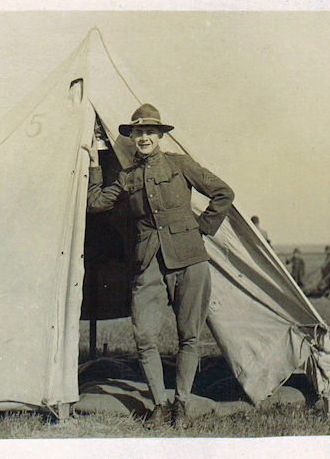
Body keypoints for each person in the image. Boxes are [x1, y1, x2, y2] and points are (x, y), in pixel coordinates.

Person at [82, 103, 235, 429]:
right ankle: (159, 405)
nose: (144, 137)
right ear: (132, 136)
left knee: (188, 336)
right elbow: (95, 203)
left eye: (150, 131)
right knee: (145, 337)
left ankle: (181, 405)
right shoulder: (127, 177)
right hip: (147, 262)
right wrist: (95, 164)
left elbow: (223, 193)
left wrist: (202, 228)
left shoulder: (181, 165)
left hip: (189, 260)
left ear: (160, 136)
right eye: (139, 132)